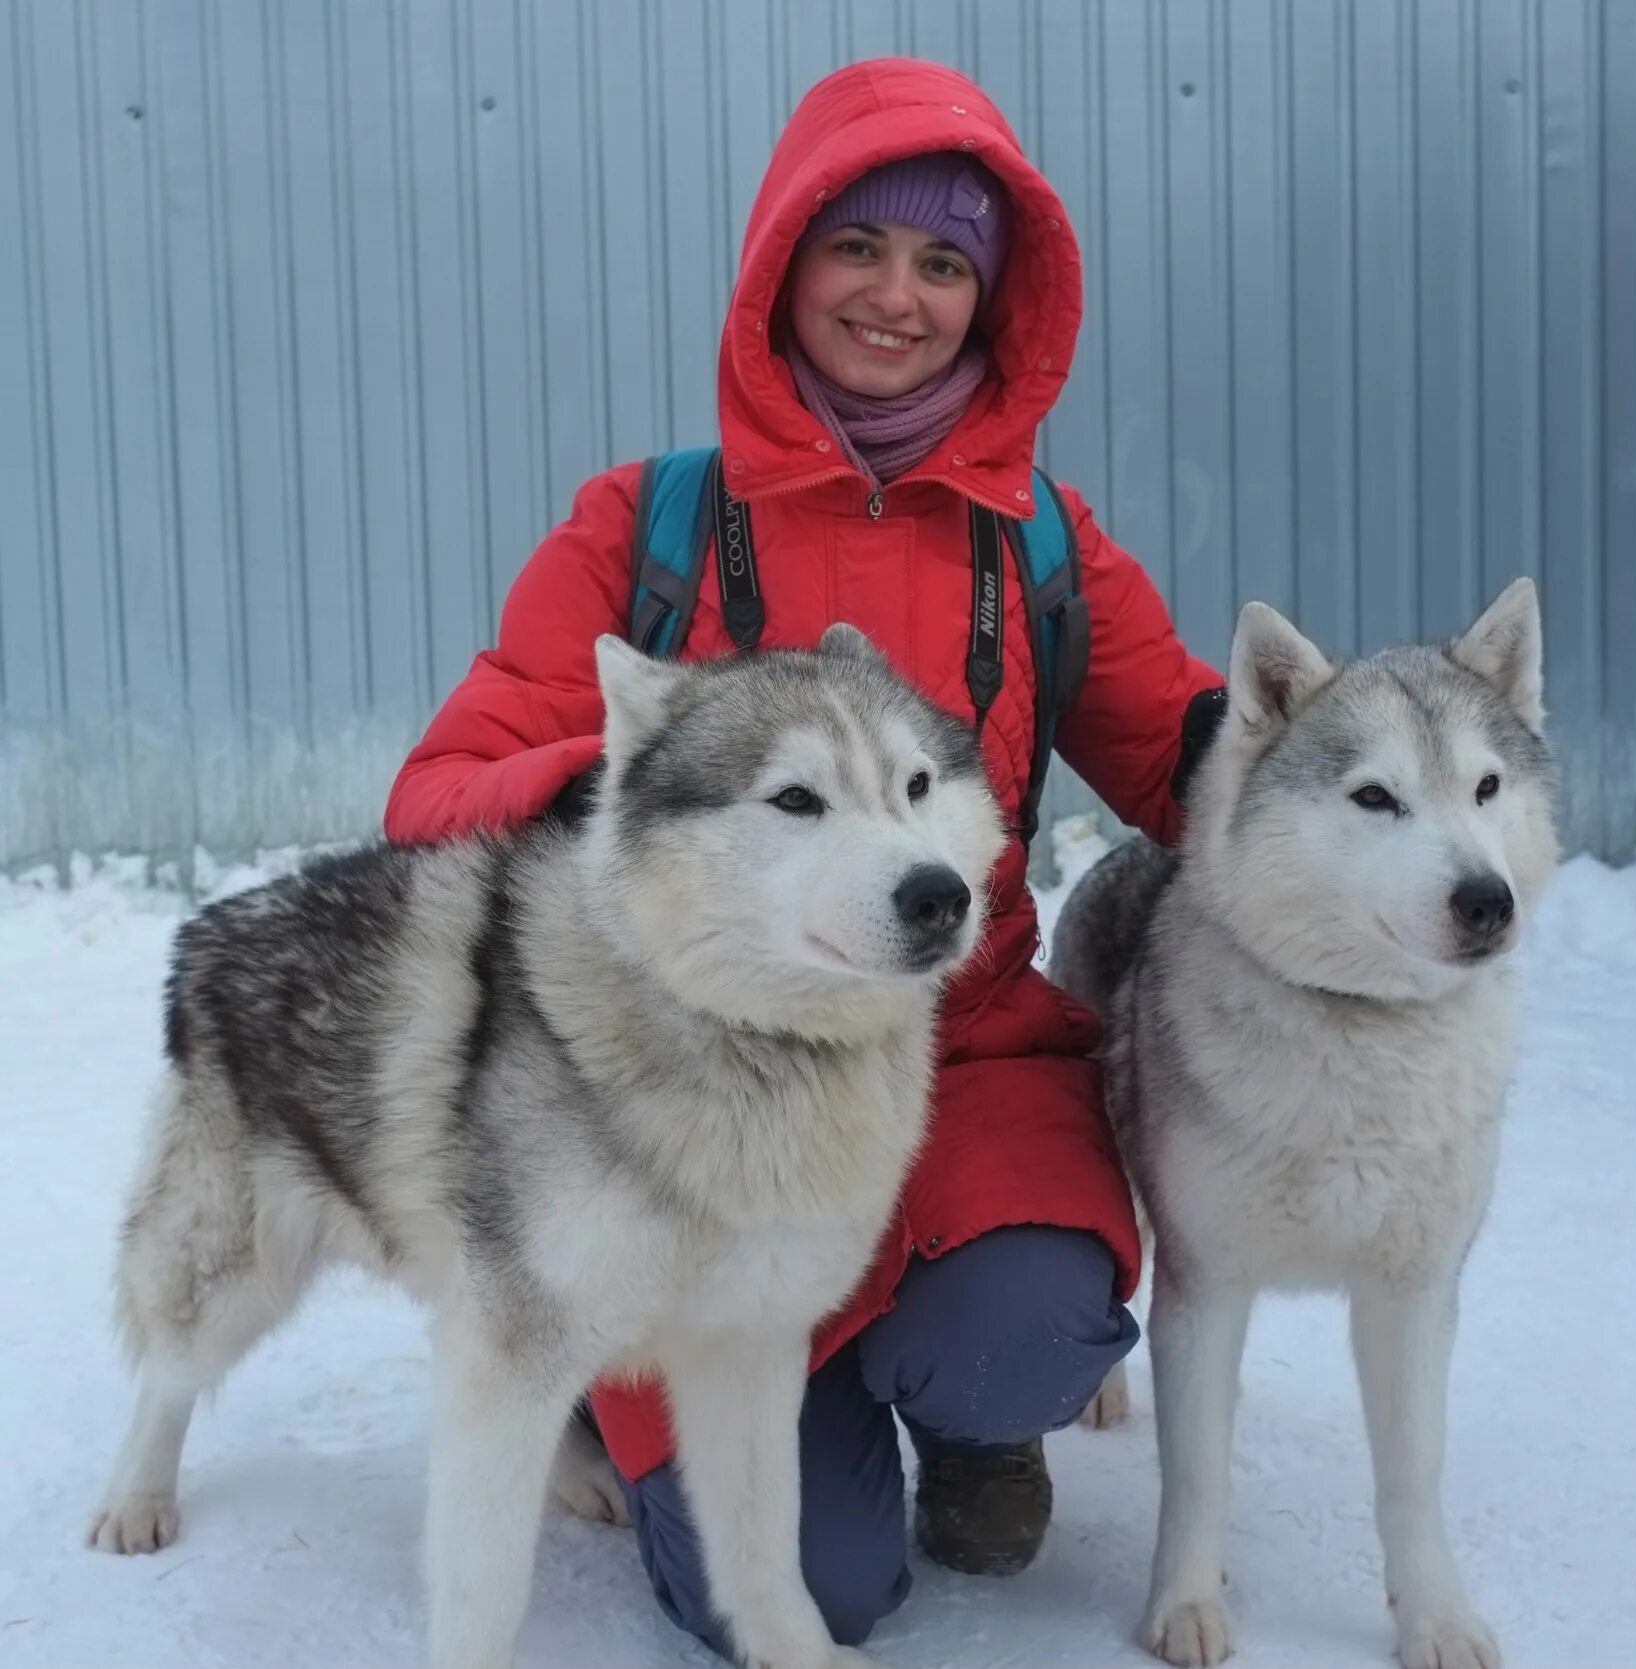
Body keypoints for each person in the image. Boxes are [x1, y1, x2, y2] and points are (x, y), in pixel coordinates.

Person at [386, 56, 1224, 1656]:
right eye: (859, 247)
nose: (896, 296)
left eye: (944, 263)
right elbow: (441, 791)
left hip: (954, 1043)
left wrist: (1373, 790)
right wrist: (651, 775)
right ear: (786, 257)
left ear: (993, 302)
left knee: (1039, 1314)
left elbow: (1195, 757)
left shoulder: (1038, 542)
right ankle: (625, 1413)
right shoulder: (651, 529)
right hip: (677, 1091)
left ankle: (973, 1423)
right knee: (814, 1591)